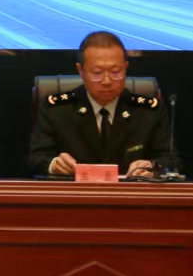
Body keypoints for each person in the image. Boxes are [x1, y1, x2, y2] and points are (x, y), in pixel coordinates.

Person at [28, 30, 173, 179]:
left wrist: (152, 166)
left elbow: (170, 160)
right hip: (75, 191)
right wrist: (54, 165)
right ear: (81, 71)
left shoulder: (148, 111)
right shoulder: (56, 109)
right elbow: (35, 159)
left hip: (131, 192)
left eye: (116, 72)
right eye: (97, 73)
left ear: (126, 67)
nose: (107, 81)